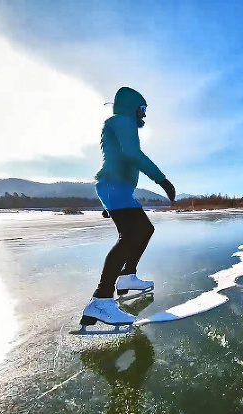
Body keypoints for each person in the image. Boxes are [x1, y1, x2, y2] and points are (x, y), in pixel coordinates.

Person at [80, 86, 177, 328]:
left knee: (143, 230)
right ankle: (101, 300)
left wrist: (109, 203)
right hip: (114, 187)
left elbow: (120, 159)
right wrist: (161, 179)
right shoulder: (123, 121)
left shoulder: (119, 123)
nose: (144, 115)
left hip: (118, 189)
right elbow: (132, 154)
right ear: (132, 106)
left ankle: (127, 277)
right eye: (142, 109)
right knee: (131, 235)